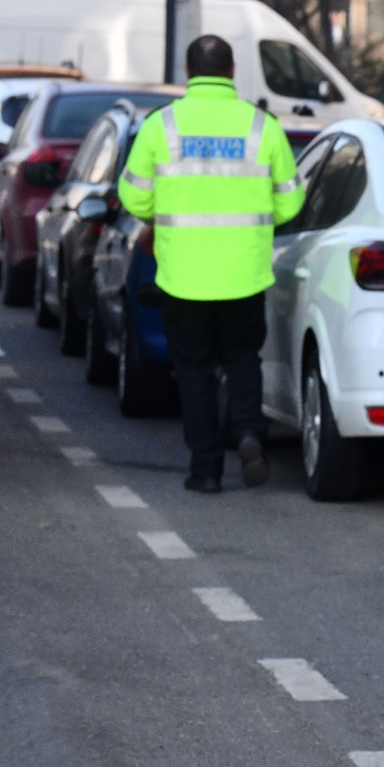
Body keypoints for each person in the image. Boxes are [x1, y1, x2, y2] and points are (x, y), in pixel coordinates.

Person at [119, 34, 302, 493]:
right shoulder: (262, 126)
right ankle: (248, 432)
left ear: (187, 71)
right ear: (232, 71)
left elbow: (133, 195)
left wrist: (160, 216)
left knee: (194, 371)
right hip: (244, 274)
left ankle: (205, 471)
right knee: (243, 361)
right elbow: (290, 201)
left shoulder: (161, 126)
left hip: (183, 277)